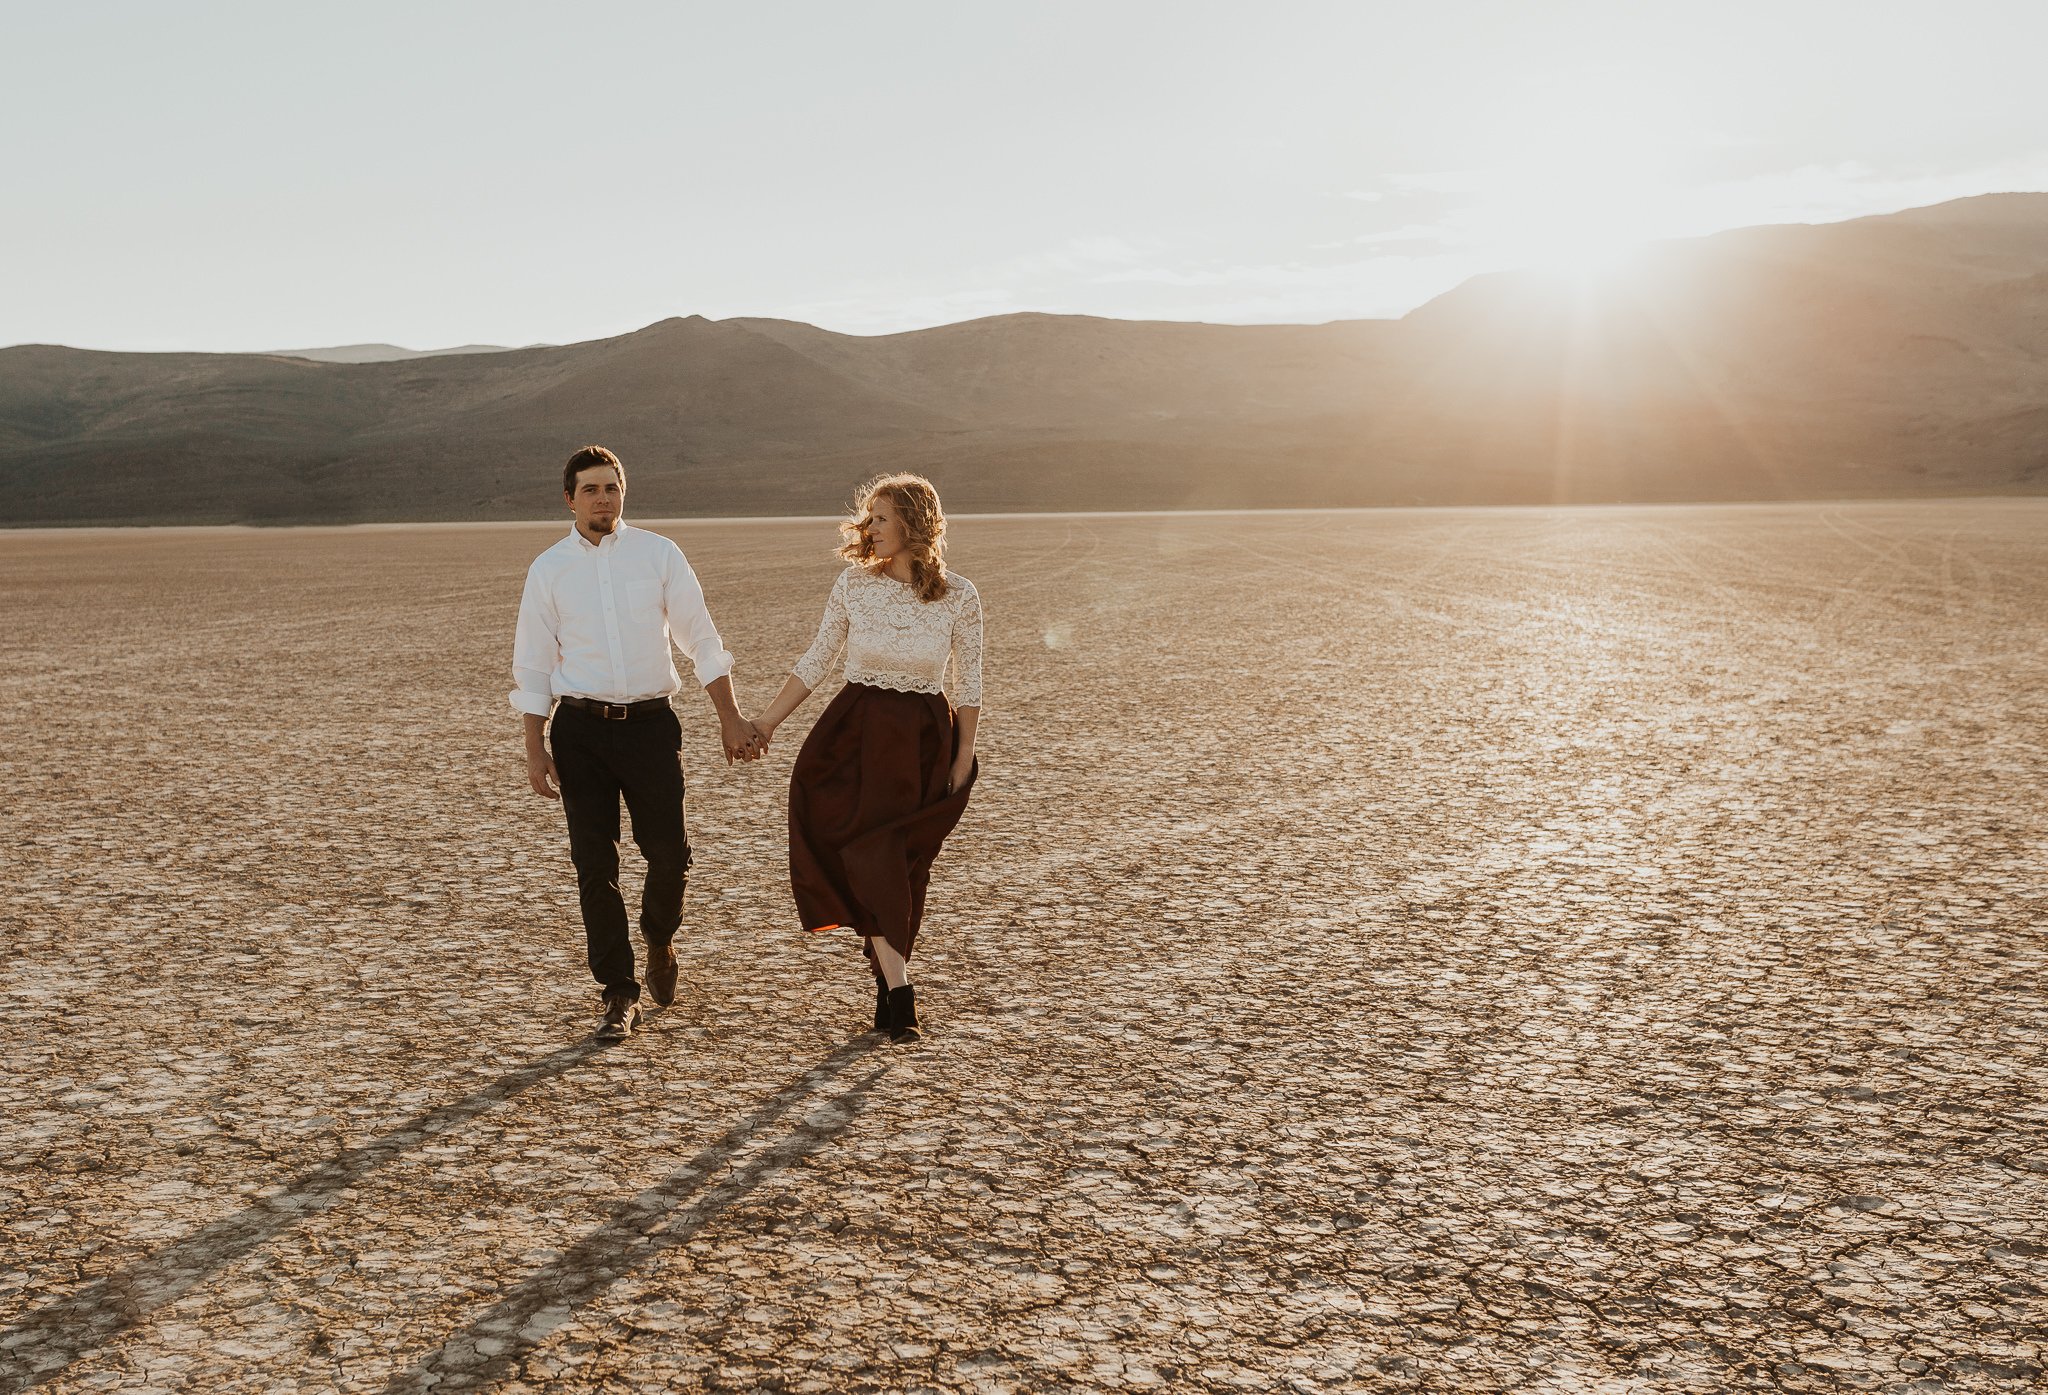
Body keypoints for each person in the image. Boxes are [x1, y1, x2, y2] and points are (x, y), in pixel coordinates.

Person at [510, 445, 763, 1040]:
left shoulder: (659, 555)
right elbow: (534, 664)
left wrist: (730, 715)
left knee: (669, 853)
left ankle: (659, 937)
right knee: (594, 866)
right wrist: (534, 746)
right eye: (591, 489)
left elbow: (701, 637)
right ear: (569, 498)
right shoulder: (549, 569)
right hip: (579, 732)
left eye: (612, 488)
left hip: (651, 727)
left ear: (624, 494)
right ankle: (618, 992)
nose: (604, 499)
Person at [751, 473, 982, 1043]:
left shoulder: (960, 595)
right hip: (854, 733)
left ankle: (886, 974)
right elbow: (817, 659)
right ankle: (901, 992)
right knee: (868, 851)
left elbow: (970, 682)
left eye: (880, 518)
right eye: (869, 518)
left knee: (905, 865)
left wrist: (963, 757)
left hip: (925, 740)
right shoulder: (854, 585)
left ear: (913, 522)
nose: (869, 529)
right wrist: (766, 722)